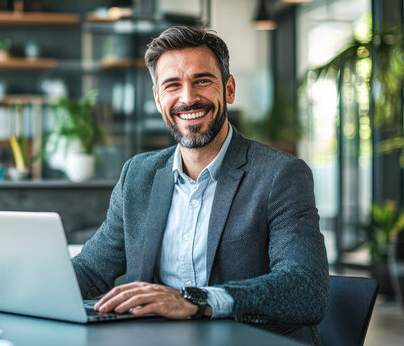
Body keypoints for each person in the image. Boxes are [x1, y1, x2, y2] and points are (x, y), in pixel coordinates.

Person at [71, 26, 328, 345]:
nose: (188, 98)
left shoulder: (281, 175)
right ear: (158, 98)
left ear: (229, 89)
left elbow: (306, 289)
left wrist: (195, 300)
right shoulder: (138, 175)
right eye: (172, 85)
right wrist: (20, 287)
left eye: (202, 81)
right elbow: (92, 270)